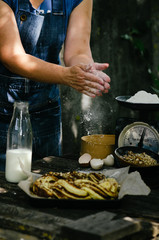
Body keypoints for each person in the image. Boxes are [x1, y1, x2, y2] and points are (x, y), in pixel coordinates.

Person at [0, 0, 111, 171]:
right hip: (3, 109)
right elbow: (11, 55)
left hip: (46, 112)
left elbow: (78, 50)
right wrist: (65, 75)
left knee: (47, 182)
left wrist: (85, 70)